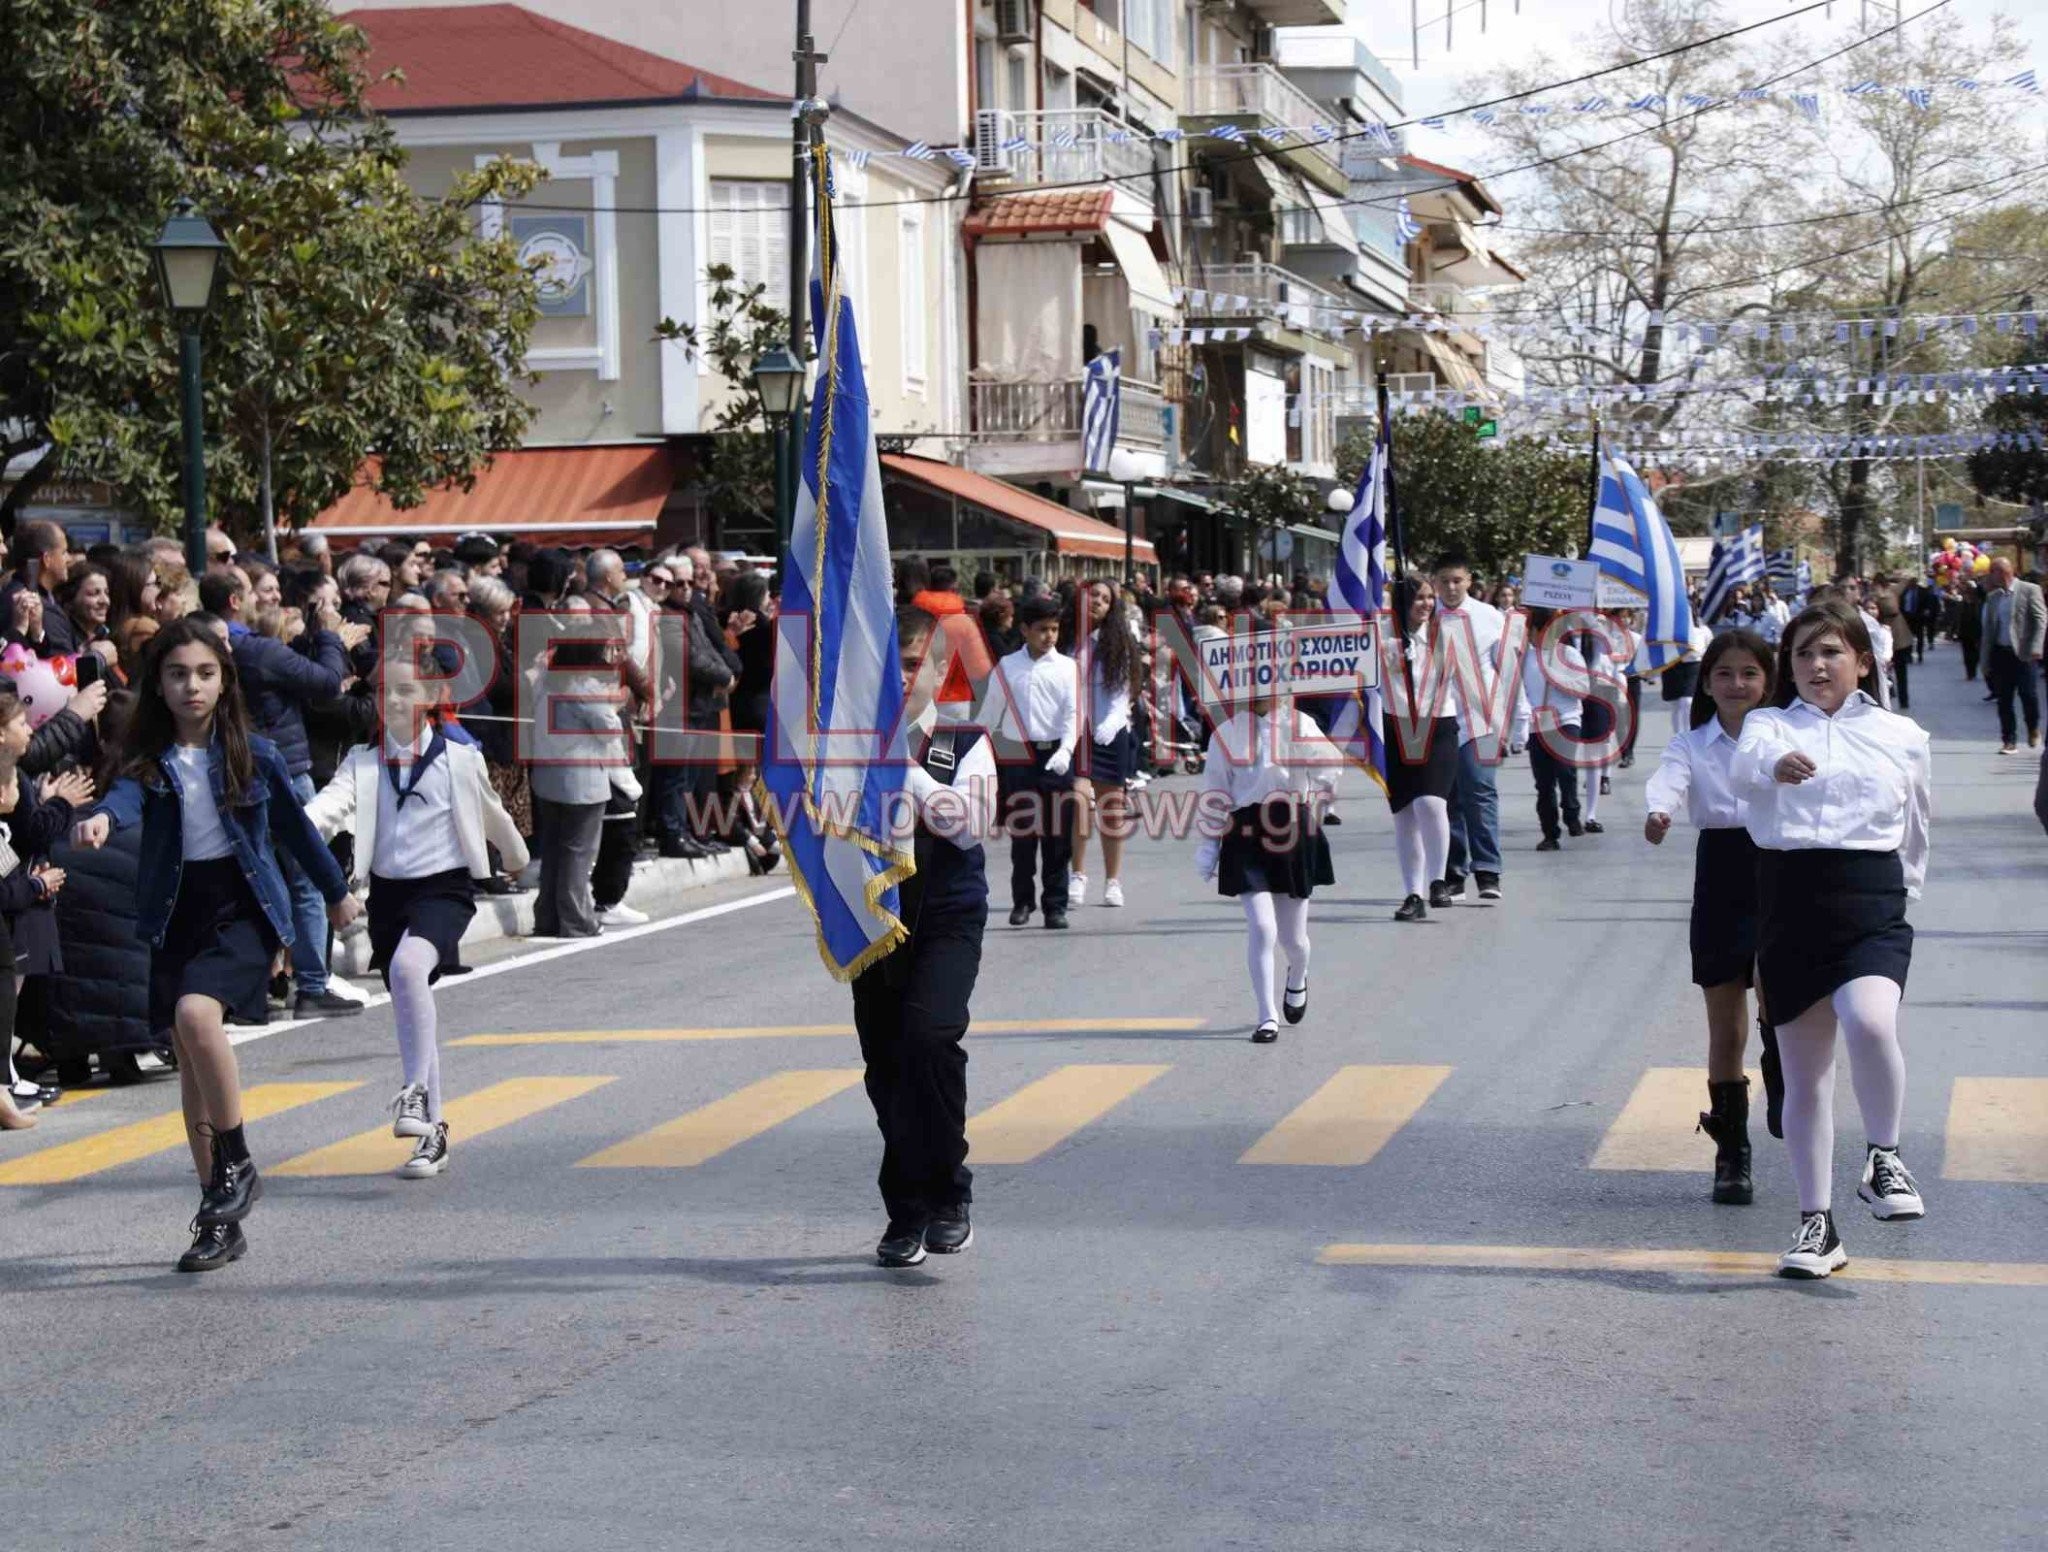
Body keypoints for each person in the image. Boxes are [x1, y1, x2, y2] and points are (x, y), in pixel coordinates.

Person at [72, 617, 360, 1272]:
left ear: (224, 679)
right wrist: (100, 820)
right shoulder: (147, 760)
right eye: (177, 675)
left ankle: (237, 1163)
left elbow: (295, 830)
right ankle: (216, 1216)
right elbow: (123, 800)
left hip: (243, 907)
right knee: (192, 1059)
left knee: (196, 1017)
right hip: (177, 913)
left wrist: (337, 894)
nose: (191, 686)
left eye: (204, 673)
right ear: (159, 686)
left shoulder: (252, 753)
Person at [1730, 599, 1932, 1280]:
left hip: (1872, 896)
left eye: (1831, 652)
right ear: (1789, 667)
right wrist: (1775, 767)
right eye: (1804, 655)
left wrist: (1905, 894)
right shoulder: (1766, 725)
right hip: (1790, 898)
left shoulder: (1902, 734)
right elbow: (1745, 770)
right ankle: (1817, 1225)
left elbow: (1918, 826)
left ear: (1863, 661)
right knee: (1807, 1076)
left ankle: (1884, 1157)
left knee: (1871, 1021)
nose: (1817, 666)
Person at [305, 650, 529, 1179]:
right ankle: (433, 1133)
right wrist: (294, 828)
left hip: (444, 891)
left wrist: (516, 860)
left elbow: (492, 815)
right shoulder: (361, 761)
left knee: (408, 971)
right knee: (407, 997)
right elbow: (328, 808)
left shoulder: (459, 758)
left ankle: (415, 1094)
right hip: (389, 895)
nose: (394, 701)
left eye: (407, 691)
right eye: (385, 693)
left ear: (431, 699)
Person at [853, 606, 994, 1267]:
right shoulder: (849, 742)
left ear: (942, 671)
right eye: (894, 665)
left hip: (945, 913)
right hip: (873, 917)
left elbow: (966, 825)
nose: (905, 678)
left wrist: (898, 771)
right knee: (887, 1067)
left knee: (929, 1037)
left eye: (916, 664)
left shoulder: (961, 744)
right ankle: (906, 1212)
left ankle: (948, 1194)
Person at [1644, 628, 1775, 1206]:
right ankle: (1733, 1153)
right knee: (1725, 1024)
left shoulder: (1786, 736)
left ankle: (1784, 1076)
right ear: (1707, 682)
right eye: (1724, 674)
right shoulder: (1691, 742)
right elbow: (1669, 779)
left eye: (1749, 673)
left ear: (1768, 681)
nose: (1737, 684)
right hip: (1721, 872)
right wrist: (1659, 810)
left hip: (1780, 866)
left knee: (1778, 1002)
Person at [1195, 645, 1341, 1042]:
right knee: (1262, 927)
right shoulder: (1226, 733)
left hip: (1292, 826)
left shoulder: (1301, 724)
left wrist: (1319, 790)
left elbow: (1330, 769)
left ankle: (1297, 974)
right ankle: (1266, 1014)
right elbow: (1215, 791)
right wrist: (1208, 846)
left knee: (1293, 939)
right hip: (1246, 831)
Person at [993, 594, 1079, 930]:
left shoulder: (1067, 667)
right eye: (1043, 629)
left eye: (1055, 629)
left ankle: (1055, 905)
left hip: (1056, 754)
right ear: (1025, 629)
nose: (1050, 637)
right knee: (1023, 836)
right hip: (1019, 755)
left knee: (1058, 836)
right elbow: (992, 713)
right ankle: (1022, 901)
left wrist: (1066, 751)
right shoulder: (1008, 666)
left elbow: (1074, 713)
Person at [1433, 553, 1515, 903]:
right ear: (1435, 582)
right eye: (1444, 581)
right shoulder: (1424, 616)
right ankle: (1454, 872)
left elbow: (1508, 670)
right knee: (1447, 797)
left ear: (1469, 581)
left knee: (1479, 791)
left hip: (1479, 718)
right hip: (1438, 718)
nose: (1451, 588)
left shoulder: (1489, 617)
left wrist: (1514, 720)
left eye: (1457, 580)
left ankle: (1487, 870)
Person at [1382, 577, 1459, 921]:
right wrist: (1393, 654)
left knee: (1431, 801)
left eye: (1430, 598)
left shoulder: (1445, 633)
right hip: (1396, 726)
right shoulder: (1383, 634)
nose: (1426, 604)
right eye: (1418, 599)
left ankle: (1438, 880)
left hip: (1436, 724)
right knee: (1404, 815)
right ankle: (1412, 893)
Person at [1067, 580, 1141, 910]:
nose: (1097, 601)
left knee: (1111, 811)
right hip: (1075, 733)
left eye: (1105, 598)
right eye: (1092, 595)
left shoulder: (1119, 643)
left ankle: (1113, 880)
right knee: (1080, 802)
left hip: (1110, 732)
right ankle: (1078, 874)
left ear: (1112, 608)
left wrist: (1111, 725)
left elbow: (1122, 694)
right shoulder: (1067, 638)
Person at [1520, 607, 1586, 854]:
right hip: (1538, 726)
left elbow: (1583, 689)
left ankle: (1572, 812)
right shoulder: (1525, 658)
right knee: (1544, 783)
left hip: (1566, 720)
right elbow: (1520, 693)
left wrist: (1558, 678)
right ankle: (1549, 833)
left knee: (1565, 772)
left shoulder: (1569, 655)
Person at [1981, 557, 2046, 754]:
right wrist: (1984, 661)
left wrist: (2036, 646)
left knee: (2028, 695)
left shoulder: (2029, 590)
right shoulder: (1993, 598)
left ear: (2004, 572)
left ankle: (2033, 727)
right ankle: (2009, 740)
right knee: (2004, 699)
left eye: (1993, 572)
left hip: (2024, 654)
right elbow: (1988, 632)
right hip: (2001, 654)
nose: (1990, 577)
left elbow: (2041, 619)